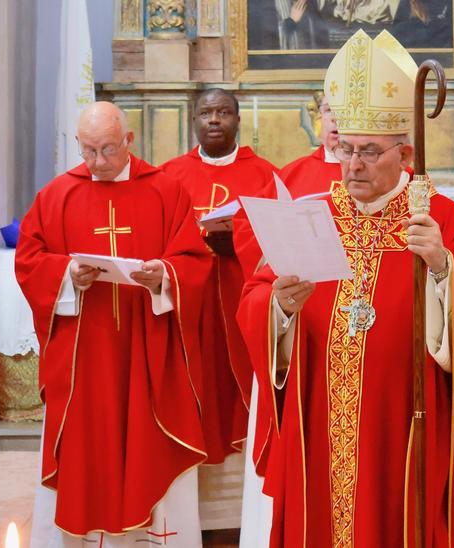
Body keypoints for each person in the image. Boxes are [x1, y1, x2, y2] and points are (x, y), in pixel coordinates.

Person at [234, 30, 454, 547]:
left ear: (404, 154)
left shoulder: (436, 215)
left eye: (368, 153)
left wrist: (443, 266)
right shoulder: (314, 214)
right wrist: (280, 310)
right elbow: (256, 298)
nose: (352, 165)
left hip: (402, 415)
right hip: (319, 411)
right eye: (345, 150)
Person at [19, 102, 211, 545]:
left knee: (149, 445)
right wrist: (67, 273)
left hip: (149, 349)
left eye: (108, 149)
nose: (98, 162)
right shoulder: (57, 195)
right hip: (86, 354)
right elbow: (30, 261)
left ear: (129, 140)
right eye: (88, 151)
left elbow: (196, 262)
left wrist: (164, 273)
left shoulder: (166, 190)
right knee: (91, 448)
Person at [159, 87, 280, 540]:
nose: (215, 120)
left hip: (240, 307)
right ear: (193, 119)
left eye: (224, 112)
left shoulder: (266, 175)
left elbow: (280, 241)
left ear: (237, 120)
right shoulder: (168, 176)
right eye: (206, 112)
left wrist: (240, 245)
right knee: (194, 391)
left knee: (240, 397)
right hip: (188, 313)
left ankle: (242, 516)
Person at [276, 91, 343, 199]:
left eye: (345, 110)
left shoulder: (377, 175)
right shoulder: (292, 174)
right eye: (329, 110)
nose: (335, 118)